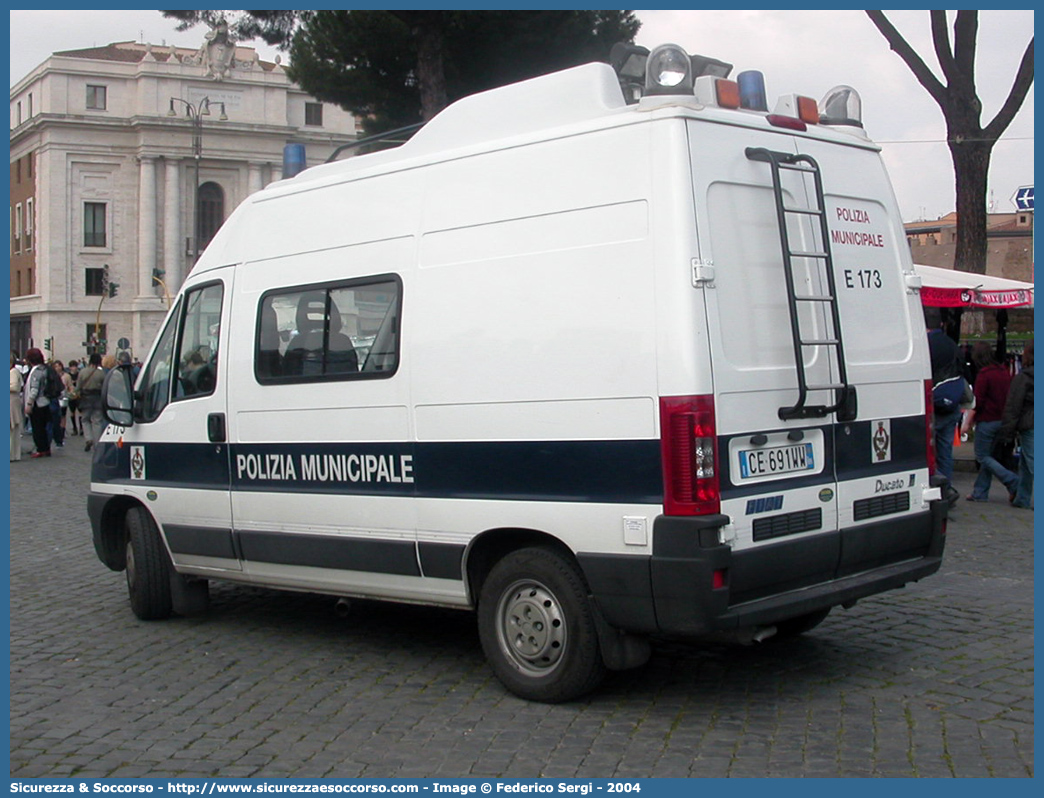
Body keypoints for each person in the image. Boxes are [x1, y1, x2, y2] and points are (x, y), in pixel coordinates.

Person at [961, 341, 1019, 502]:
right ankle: (980, 492)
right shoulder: (1003, 371)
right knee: (989, 457)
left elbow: (977, 402)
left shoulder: (984, 375)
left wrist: (967, 423)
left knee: (982, 456)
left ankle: (1011, 480)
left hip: (987, 420)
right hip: (1002, 419)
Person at [925, 306, 962, 506]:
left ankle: (940, 491)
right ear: (940, 324)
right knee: (945, 451)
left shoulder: (924, 345)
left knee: (925, 451)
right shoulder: (951, 344)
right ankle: (946, 489)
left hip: (933, 405)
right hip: (952, 405)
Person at [998, 340, 1033, 509]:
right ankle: (1022, 497)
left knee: (1031, 462)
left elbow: (1013, 405)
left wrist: (1007, 432)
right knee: (1026, 463)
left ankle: (1024, 497)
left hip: (1030, 423)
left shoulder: (1024, 377)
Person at [22, 348, 52, 459]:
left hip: (38, 403)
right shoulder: (44, 369)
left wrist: (29, 404)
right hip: (45, 402)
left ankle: (41, 449)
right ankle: (45, 448)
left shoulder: (36, 372)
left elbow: (34, 389)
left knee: (37, 427)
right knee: (42, 427)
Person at [78, 353, 107, 452]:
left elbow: (78, 387)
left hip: (86, 398)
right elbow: (105, 387)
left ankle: (88, 438)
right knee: (97, 421)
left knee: (85, 419)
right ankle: (97, 443)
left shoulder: (82, 372)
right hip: (97, 398)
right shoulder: (101, 373)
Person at [10, 353, 24, 461]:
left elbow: (14, 386)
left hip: (11, 402)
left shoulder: (13, 372)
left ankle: (12, 454)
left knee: (12, 428)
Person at [66, 359, 83, 436]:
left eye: (75, 366)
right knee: (72, 412)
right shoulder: (68, 375)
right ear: (70, 368)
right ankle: (74, 428)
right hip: (71, 395)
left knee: (80, 412)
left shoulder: (79, 374)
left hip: (79, 395)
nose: (74, 368)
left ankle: (81, 428)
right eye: (72, 367)